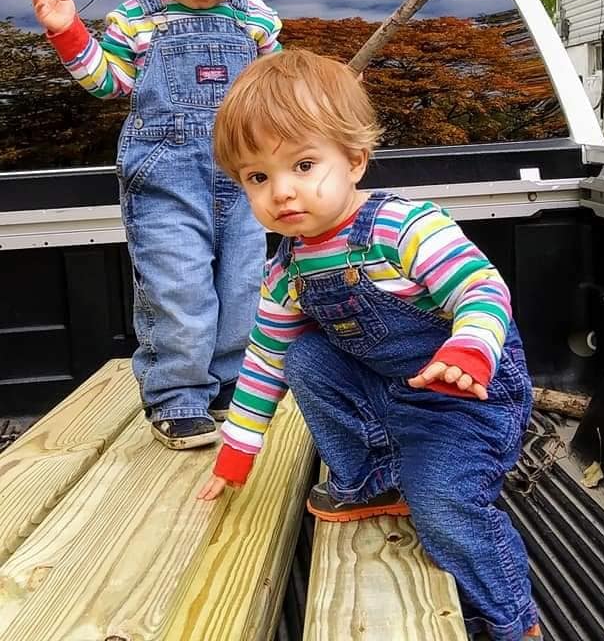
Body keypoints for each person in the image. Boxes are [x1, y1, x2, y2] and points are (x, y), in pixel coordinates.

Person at [197, 48, 542, 641]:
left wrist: (467, 350)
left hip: (467, 398)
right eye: (258, 177)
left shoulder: (404, 227)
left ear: (355, 160)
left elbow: (482, 289)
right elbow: (263, 362)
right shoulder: (287, 271)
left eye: (303, 165)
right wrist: (238, 450)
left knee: (445, 507)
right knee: (301, 353)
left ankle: (514, 621)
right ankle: (373, 480)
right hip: (388, 387)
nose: (281, 192)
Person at [31, 0, 281, 450]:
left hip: (245, 181)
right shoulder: (139, 16)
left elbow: (274, 98)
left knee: (244, 286)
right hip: (167, 178)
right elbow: (107, 82)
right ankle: (177, 398)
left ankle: (227, 392)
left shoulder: (257, 20)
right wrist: (70, 32)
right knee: (179, 287)